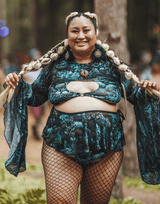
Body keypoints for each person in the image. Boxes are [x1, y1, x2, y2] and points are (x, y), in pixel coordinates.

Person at [1, 12, 160, 204]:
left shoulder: (113, 65)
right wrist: (18, 86)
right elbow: (35, 96)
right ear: (67, 36)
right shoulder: (55, 65)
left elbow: (136, 95)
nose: (81, 35)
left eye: (86, 30)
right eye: (74, 31)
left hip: (106, 149)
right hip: (60, 146)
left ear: (96, 33)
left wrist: (148, 91)